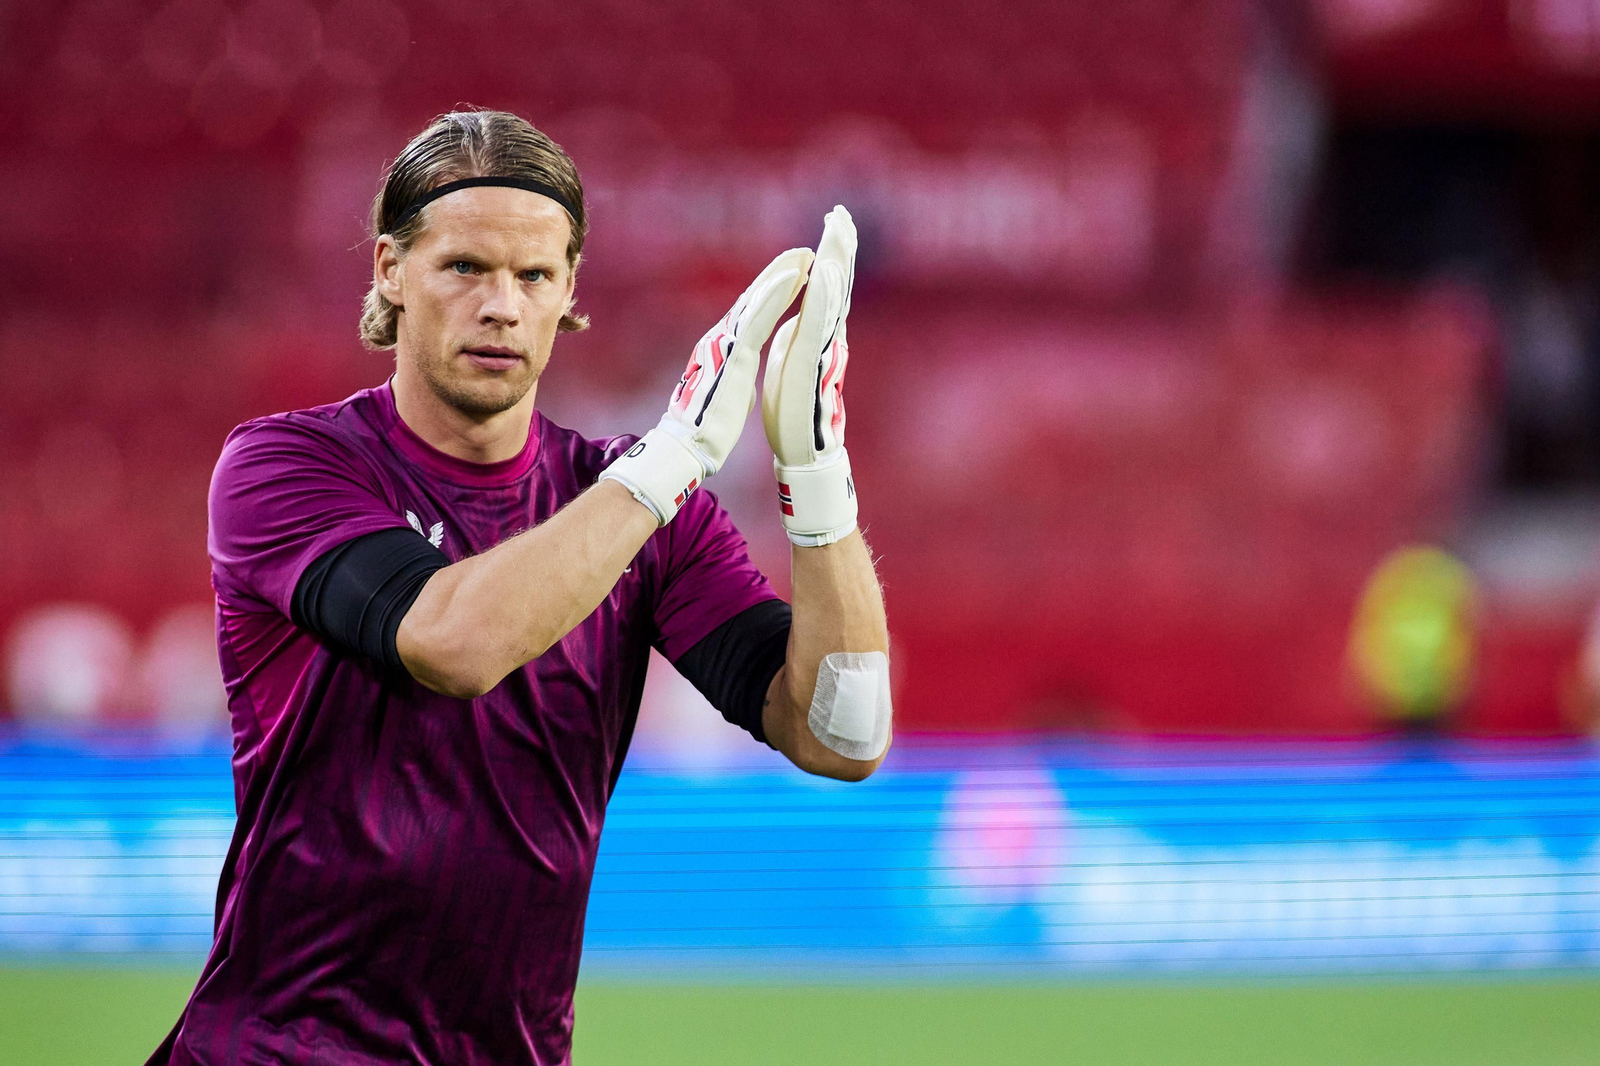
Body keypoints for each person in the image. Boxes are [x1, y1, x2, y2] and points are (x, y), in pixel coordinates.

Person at [147, 109, 891, 1066]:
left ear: (568, 290)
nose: (502, 304)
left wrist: (817, 482)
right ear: (388, 271)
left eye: (534, 276)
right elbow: (455, 644)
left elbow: (841, 733)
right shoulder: (285, 467)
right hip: (282, 1049)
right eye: (464, 267)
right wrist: (677, 456)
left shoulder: (636, 506)